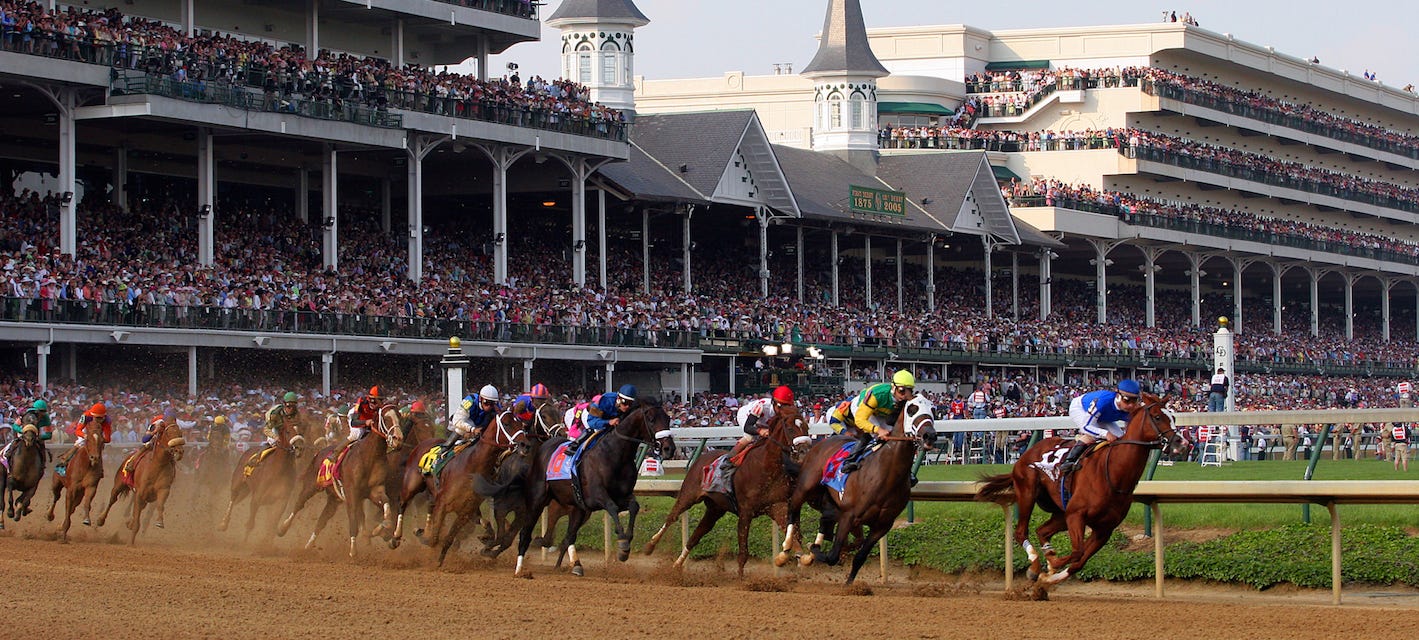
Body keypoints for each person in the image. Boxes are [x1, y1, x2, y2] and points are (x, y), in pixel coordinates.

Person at [831, 370, 915, 473]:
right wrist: (878, 430)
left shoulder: (905, 398)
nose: (904, 396)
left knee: (893, 434)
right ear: (894, 387)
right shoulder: (878, 395)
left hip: (879, 412)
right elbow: (860, 420)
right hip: (861, 409)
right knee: (874, 434)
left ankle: (905, 470)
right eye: (902, 391)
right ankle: (849, 461)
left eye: (909, 391)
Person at [1058, 379, 1143, 475]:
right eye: (1127, 400)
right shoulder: (1103, 401)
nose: (1131, 405)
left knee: (1120, 438)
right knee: (1092, 435)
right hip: (1081, 408)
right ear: (1118, 396)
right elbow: (1087, 426)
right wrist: (1106, 433)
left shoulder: (1132, 409)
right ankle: (1068, 461)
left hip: (1103, 416)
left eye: (1134, 400)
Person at [720, 386, 794, 481]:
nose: (784, 410)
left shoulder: (783, 411)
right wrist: (759, 431)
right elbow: (748, 427)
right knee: (751, 437)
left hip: (764, 421)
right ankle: (728, 460)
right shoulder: (762, 406)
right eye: (782, 406)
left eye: (787, 406)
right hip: (747, 416)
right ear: (774, 403)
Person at [566, 384, 636, 455]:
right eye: (625, 403)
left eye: (630, 403)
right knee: (596, 430)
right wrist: (608, 422)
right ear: (618, 399)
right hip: (589, 416)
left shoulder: (627, 407)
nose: (627, 406)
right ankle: (574, 446)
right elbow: (591, 422)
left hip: (606, 417)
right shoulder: (605, 401)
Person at [56, 402, 112, 473]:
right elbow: (78, 431)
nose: (98, 420)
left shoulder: (107, 420)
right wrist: (85, 436)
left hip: (98, 432)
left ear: (104, 416)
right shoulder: (85, 416)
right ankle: (65, 461)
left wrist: (98, 439)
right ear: (92, 415)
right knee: (80, 443)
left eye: (100, 418)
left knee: (98, 445)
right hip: (86, 430)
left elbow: (108, 439)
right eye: (96, 418)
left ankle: (100, 468)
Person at [444, 384, 500, 448]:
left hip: (478, 427)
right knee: (460, 429)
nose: (489, 407)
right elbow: (457, 421)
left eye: (492, 404)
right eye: (486, 402)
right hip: (458, 426)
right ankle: (445, 448)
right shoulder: (470, 401)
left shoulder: (497, 406)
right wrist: (472, 430)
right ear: (480, 398)